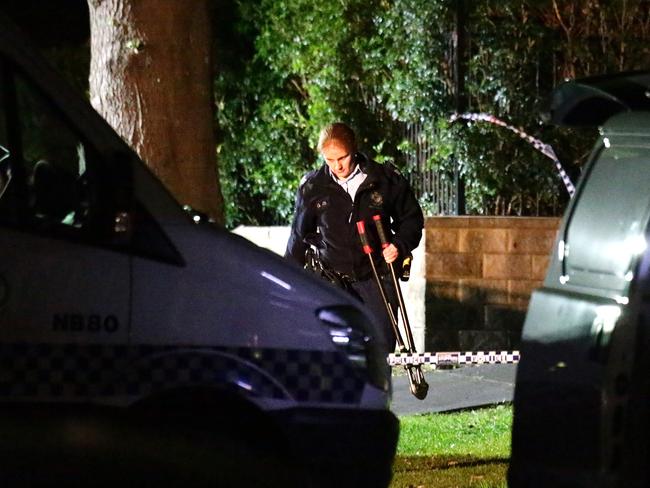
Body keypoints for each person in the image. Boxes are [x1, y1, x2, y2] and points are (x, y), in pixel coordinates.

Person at [285, 122, 424, 352]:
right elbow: (298, 238)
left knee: (380, 349)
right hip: (333, 279)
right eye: (329, 159)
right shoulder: (313, 187)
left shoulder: (384, 179)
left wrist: (398, 246)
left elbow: (412, 220)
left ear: (354, 149)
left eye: (342, 157)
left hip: (377, 275)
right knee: (337, 350)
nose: (337, 166)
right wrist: (288, 281)